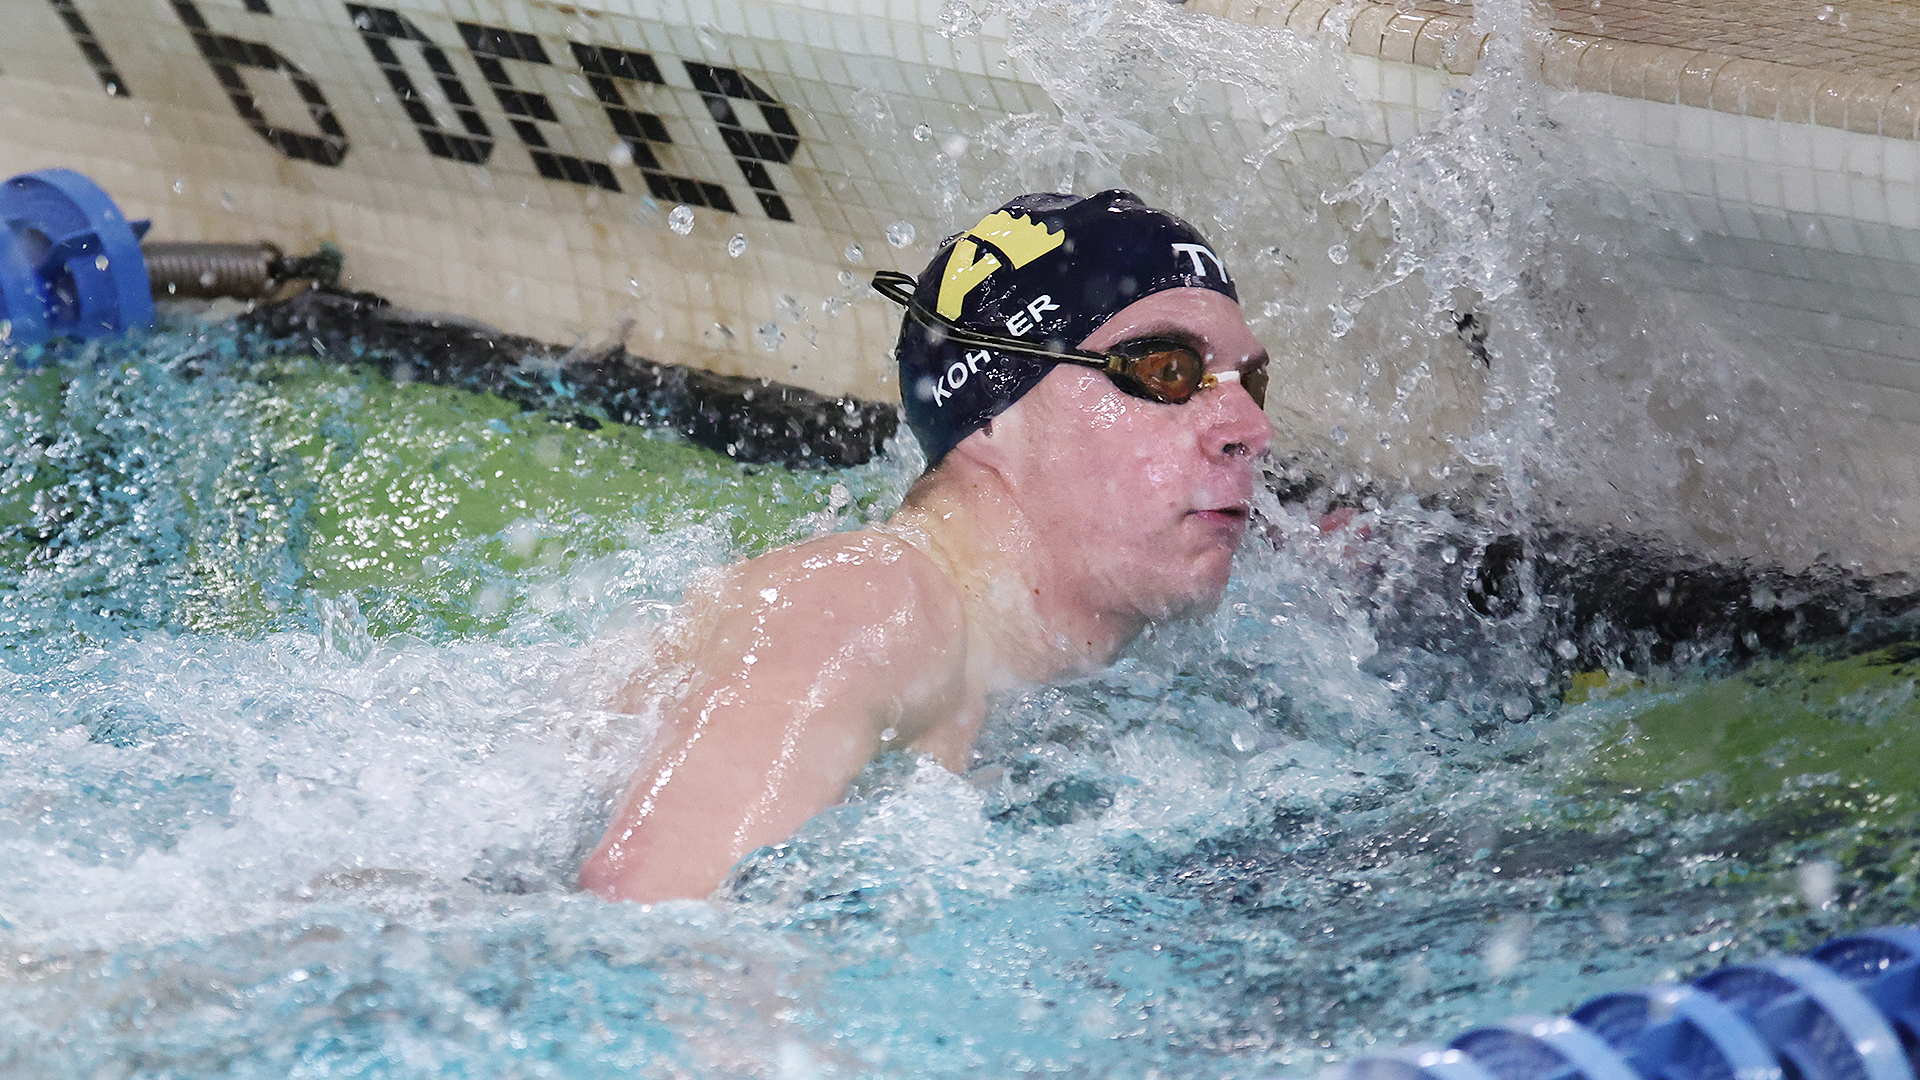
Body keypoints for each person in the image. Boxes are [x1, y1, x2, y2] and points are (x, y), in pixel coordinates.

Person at [578, 189, 1272, 903]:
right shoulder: (860, 604)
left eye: (1252, 382)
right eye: (1167, 371)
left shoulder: (1042, 673)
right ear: (995, 416)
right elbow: (650, 920)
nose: (1250, 427)